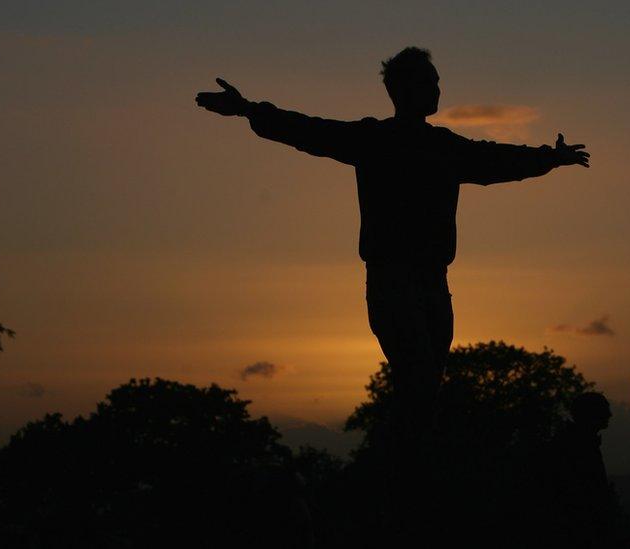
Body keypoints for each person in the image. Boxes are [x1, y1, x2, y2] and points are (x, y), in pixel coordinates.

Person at [195, 46, 590, 539]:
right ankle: (398, 503)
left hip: (432, 285)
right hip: (392, 281)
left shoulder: (442, 146)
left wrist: (547, 159)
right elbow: (308, 130)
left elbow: (493, 160)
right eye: (429, 82)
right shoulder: (374, 139)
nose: (438, 90)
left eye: (437, 81)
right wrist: (250, 109)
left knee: (423, 396)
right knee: (419, 386)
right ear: (404, 90)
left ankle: (406, 498)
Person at [553, 392, 616, 547]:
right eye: (604, 410)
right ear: (592, 414)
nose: (610, 414)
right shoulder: (580, 447)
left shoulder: (577, 442)